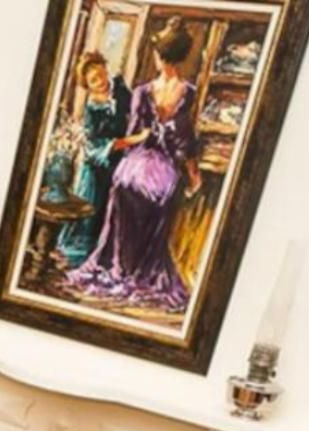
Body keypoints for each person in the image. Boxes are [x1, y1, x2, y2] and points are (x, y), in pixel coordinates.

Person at [67, 17, 202, 312]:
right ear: (179, 57)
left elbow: (135, 133)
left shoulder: (143, 90)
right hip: (165, 170)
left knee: (122, 187)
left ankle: (117, 266)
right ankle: (140, 269)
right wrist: (193, 175)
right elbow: (185, 139)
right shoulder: (188, 92)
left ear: (158, 55)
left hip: (136, 165)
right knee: (157, 197)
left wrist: (136, 143)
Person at [56, 52, 132, 267]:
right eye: (93, 81)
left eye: (101, 75)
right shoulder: (91, 109)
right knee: (92, 209)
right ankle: (79, 253)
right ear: (88, 86)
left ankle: (106, 254)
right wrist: (117, 144)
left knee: (113, 208)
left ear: (106, 70)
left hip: (120, 161)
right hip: (97, 165)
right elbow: (92, 146)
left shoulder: (120, 90)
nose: (100, 82)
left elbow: (134, 112)